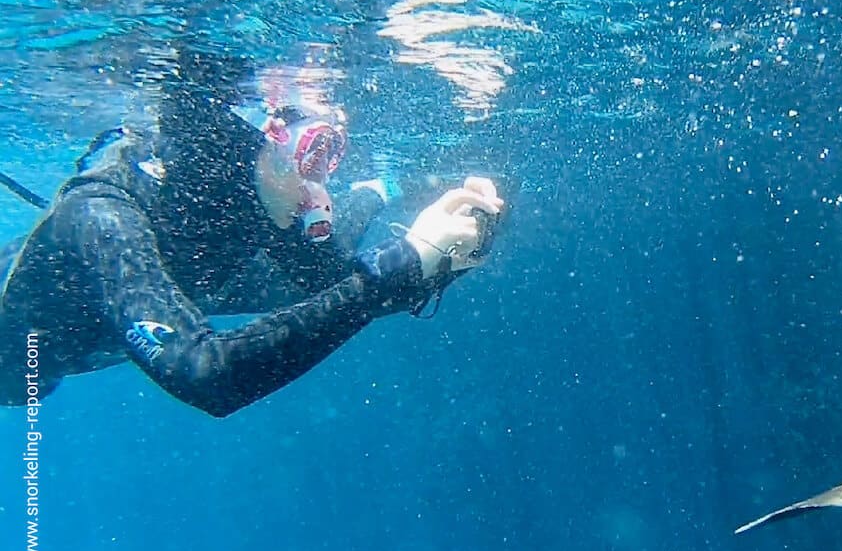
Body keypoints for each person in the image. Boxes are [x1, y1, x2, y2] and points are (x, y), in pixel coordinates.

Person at [0, 50, 505, 417]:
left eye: (333, 156)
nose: (321, 181)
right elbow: (208, 375)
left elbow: (331, 283)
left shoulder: (240, 198)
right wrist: (403, 262)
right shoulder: (101, 218)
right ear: (253, 136)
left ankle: (377, 186)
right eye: (316, 152)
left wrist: (439, 260)